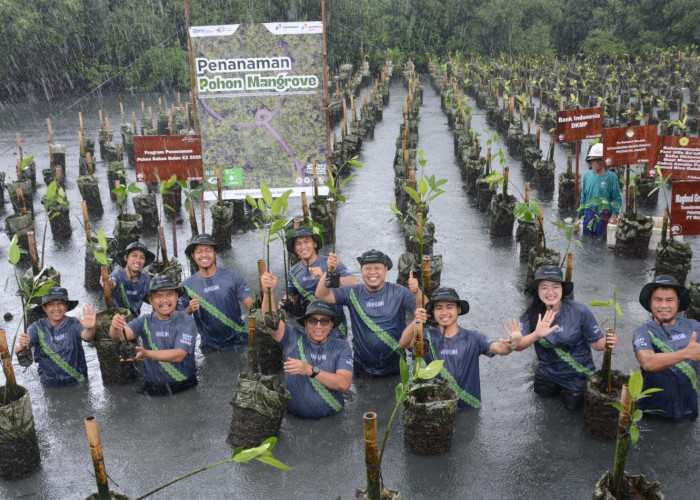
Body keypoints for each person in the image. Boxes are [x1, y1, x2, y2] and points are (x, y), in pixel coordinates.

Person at [399, 287, 522, 410]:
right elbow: (403, 344)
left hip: (468, 407)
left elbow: (501, 349)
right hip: (436, 408)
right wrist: (415, 322)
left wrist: (513, 343)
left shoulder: (474, 338)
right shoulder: (426, 335)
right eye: (439, 307)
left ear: (458, 309)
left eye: (449, 306)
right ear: (432, 312)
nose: (444, 312)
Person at [516, 265, 618, 410]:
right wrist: (536, 334)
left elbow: (596, 344)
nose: (550, 292)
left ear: (562, 289)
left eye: (555, 287)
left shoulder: (579, 311)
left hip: (577, 376)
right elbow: (518, 345)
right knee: (543, 409)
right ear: (537, 290)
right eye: (544, 287)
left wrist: (608, 342)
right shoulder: (531, 314)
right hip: (547, 374)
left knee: (572, 411)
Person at [316, 249, 423, 377]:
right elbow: (322, 295)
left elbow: (422, 310)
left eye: (377, 268)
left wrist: (417, 292)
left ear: (386, 270)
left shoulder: (399, 292)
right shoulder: (352, 292)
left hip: (396, 367)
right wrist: (329, 271)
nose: (372, 272)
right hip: (362, 368)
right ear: (361, 271)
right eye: (367, 268)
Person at [261, 270, 353, 418]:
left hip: (331, 420)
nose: (318, 326)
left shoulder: (341, 347)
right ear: (305, 323)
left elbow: (344, 384)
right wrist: (268, 293)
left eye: (324, 321)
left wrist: (309, 370)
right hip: (295, 420)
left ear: (331, 325)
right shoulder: (292, 336)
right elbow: (271, 323)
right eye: (312, 320)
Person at [110, 275, 197, 396]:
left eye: (169, 294)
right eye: (158, 296)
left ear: (177, 296)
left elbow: (179, 355)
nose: (165, 300)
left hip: (185, 386)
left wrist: (147, 354)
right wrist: (115, 326)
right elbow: (119, 336)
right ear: (150, 300)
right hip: (153, 387)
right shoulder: (144, 321)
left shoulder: (187, 321)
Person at [633, 275, 700, 420]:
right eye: (658, 300)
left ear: (678, 302)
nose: (664, 305)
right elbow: (648, 362)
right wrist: (686, 353)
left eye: (670, 300)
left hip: (688, 410)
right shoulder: (643, 332)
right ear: (650, 303)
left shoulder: (694, 326)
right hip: (652, 412)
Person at [181, 234, 253, 351]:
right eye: (199, 251)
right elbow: (177, 319)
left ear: (215, 253)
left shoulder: (232, 276)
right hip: (209, 347)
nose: (204, 255)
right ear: (193, 256)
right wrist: (189, 309)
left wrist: (266, 292)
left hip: (239, 341)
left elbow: (252, 307)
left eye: (208, 250)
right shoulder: (187, 285)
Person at [284, 225, 357, 338]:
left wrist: (324, 277)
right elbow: (293, 297)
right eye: (298, 243)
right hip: (311, 326)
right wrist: (286, 303)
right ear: (294, 248)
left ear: (315, 244)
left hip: (335, 325)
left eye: (306, 241)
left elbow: (354, 284)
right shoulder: (293, 272)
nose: (303, 246)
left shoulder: (329, 262)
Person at [15, 287, 96, 387]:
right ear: (44, 308)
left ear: (66, 306)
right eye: (51, 304)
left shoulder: (74, 323)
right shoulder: (37, 327)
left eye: (61, 303)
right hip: (50, 385)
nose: (56, 308)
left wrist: (90, 328)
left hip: (78, 382)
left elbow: (87, 337)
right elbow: (20, 347)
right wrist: (22, 345)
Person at [576, 142, 622, 237]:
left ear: (604, 161)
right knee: (587, 240)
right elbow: (583, 197)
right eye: (594, 160)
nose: (596, 162)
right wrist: (578, 218)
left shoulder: (611, 177)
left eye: (599, 159)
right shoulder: (587, 176)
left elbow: (616, 198)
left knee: (600, 240)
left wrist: (614, 215)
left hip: (603, 213)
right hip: (588, 212)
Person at [101, 241, 155, 317]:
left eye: (142, 257)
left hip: (134, 321)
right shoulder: (117, 276)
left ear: (145, 261)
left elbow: (153, 296)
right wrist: (106, 282)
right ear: (126, 258)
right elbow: (112, 283)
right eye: (134, 256)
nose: (138, 260)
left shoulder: (145, 280)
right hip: (116, 320)